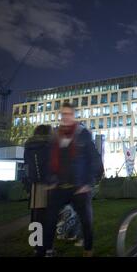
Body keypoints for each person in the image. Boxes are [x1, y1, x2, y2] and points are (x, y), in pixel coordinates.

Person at [43, 102, 103, 257]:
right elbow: (49, 160)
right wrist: (50, 181)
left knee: (86, 220)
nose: (66, 117)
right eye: (63, 114)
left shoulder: (83, 134)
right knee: (49, 219)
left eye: (69, 114)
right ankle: (48, 250)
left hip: (79, 186)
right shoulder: (55, 135)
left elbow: (94, 160)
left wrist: (88, 183)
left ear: (74, 116)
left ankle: (88, 249)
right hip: (59, 185)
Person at [24, 124, 53, 256]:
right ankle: (47, 248)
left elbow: (26, 165)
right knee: (48, 217)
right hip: (49, 184)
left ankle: (36, 247)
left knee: (36, 216)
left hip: (34, 184)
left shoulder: (29, 145)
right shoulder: (50, 144)